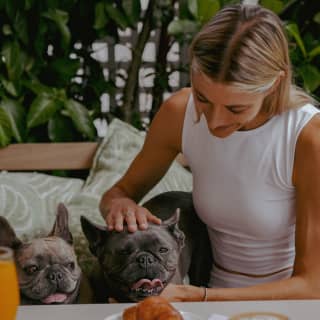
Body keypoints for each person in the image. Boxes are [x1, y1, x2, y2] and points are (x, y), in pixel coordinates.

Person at [99, 3, 320, 301]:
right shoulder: (180, 113)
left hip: (287, 305)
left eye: (235, 108)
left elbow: (311, 286)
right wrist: (121, 206)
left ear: (274, 84)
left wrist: (199, 297)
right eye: (203, 98)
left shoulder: (307, 138)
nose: (214, 121)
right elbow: (118, 193)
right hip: (209, 296)